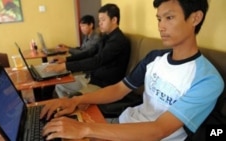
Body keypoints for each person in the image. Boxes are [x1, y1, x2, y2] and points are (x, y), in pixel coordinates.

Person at [40, 0, 224, 140]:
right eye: (159, 19)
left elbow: (159, 130)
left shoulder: (207, 79)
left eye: (169, 18)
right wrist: (77, 100)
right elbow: (119, 89)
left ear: (195, 18)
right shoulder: (155, 57)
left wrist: (85, 129)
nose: (161, 26)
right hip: (121, 124)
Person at [47, 3, 131, 98]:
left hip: (104, 84)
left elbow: (97, 60)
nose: (100, 23)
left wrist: (66, 66)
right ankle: (66, 109)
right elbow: (89, 52)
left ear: (114, 20)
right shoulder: (106, 37)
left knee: (65, 89)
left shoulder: (118, 40)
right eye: (99, 20)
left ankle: (70, 107)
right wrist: (66, 60)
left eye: (103, 20)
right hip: (92, 77)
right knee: (59, 85)